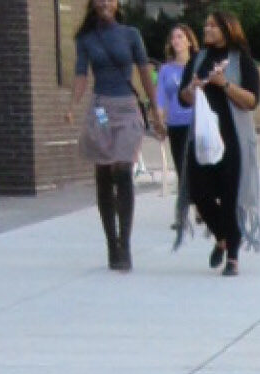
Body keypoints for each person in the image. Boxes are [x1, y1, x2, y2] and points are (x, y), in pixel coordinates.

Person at [70, 0, 157, 271]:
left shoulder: (131, 34)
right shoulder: (86, 38)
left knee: (123, 167)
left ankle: (125, 242)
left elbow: (144, 72)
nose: (105, 3)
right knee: (105, 171)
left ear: (117, 4)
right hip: (101, 109)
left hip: (127, 106)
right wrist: (73, 105)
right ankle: (112, 244)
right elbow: (81, 74)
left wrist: (156, 110)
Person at [180, 10, 260, 277]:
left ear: (228, 30)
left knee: (230, 196)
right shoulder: (198, 59)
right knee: (199, 194)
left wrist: (223, 83)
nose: (206, 30)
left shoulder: (242, 61)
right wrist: (193, 89)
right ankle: (223, 238)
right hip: (202, 138)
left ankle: (233, 258)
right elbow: (184, 98)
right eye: (205, 26)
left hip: (233, 139)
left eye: (213, 26)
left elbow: (251, 101)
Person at [154, 23, 197, 247]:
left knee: (198, 166)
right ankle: (181, 215)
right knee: (182, 168)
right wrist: (160, 120)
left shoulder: (198, 66)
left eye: (181, 37)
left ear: (189, 41)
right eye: (174, 38)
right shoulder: (166, 70)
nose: (177, 41)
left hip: (196, 122)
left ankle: (201, 207)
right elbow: (161, 98)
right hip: (177, 124)